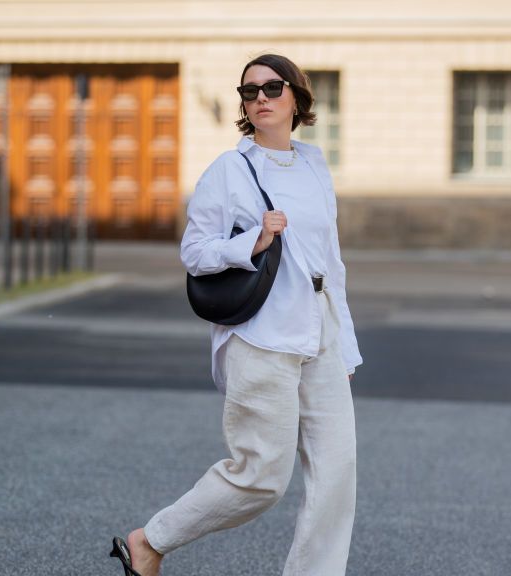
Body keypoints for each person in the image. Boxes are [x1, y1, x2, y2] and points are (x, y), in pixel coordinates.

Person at [113, 53, 363, 576]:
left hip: (321, 331)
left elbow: (332, 264)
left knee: (338, 473)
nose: (261, 99)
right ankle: (149, 541)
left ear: (297, 97)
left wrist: (347, 346)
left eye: (273, 89)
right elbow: (195, 252)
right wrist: (255, 239)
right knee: (261, 477)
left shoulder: (315, 164)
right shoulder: (230, 169)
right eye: (250, 92)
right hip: (262, 335)